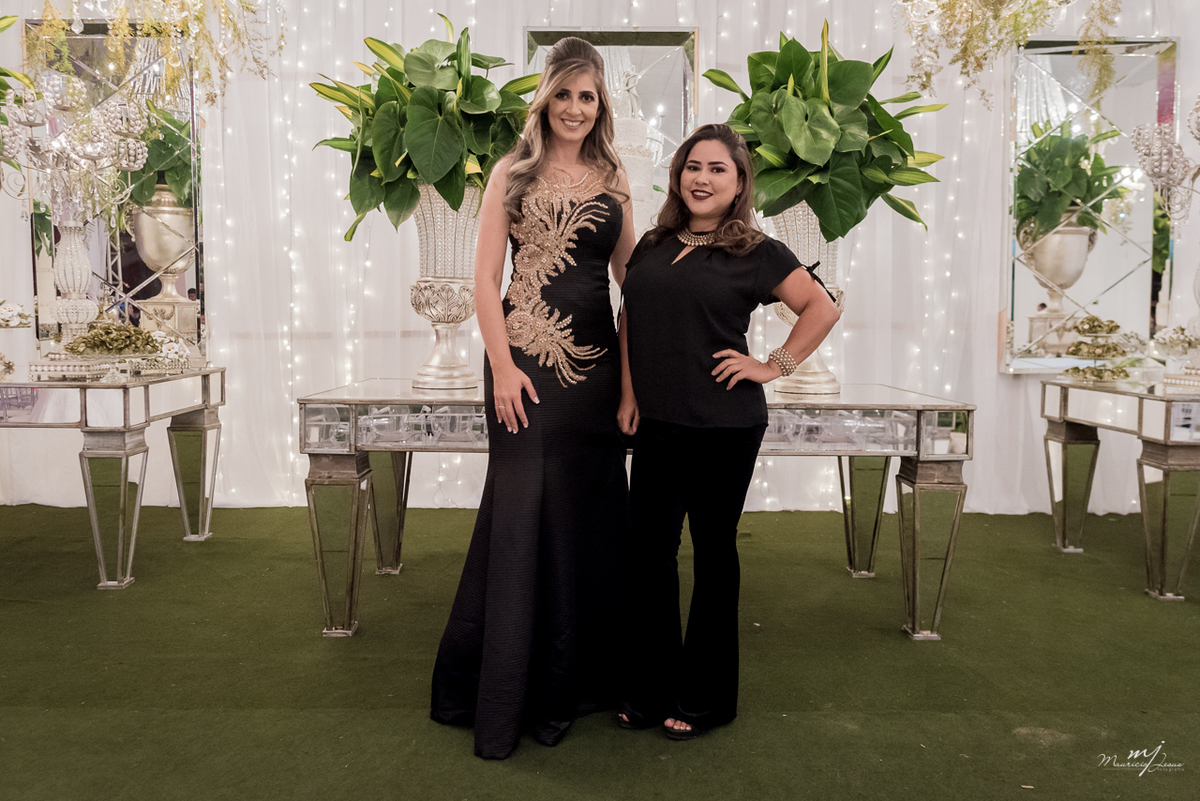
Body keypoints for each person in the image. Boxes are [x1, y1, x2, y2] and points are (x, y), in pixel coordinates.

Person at [430, 37, 636, 760]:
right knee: (524, 513)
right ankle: (510, 690)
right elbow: (484, 281)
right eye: (565, 94)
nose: (576, 108)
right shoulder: (511, 172)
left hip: (597, 373)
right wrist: (501, 367)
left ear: (600, 103)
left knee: (589, 514)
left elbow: (631, 283)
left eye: (588, 96)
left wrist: (632, 383)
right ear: (545, 98)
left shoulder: (614, 176)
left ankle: (579, 681)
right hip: (523, 367)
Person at [616, 123, 840, 740]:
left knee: (713, 555)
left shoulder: (758, 251)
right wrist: (629, 393)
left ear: (740, 183)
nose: (702, 178)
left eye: (717, 169)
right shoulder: (654, 242)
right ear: (677, 176)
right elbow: (630, 314)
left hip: (723, 426)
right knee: (649, 555)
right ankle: (649, 689)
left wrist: (773, 365)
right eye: (693, 166)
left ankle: (706, 699)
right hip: (656, 423)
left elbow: (822, 307)